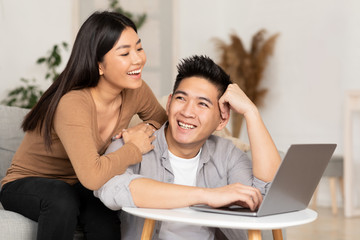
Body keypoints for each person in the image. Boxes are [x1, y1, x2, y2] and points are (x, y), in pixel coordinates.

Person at [0, 11, 167, 240]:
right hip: (25, 184)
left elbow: (162, 121)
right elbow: (92, 176)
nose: (138, 59)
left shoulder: (135, 90)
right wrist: (133, 148)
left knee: (105, 212)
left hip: (76, 185)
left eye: (138, 48)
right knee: (61, 199)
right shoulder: (73, 103)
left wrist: (143, 128)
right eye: (125, 53)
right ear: (99, 65)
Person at [95, 55, 281, 239]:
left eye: (202, 104)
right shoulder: (132, 143)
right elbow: (110, 188)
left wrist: (251, 112)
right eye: (181, 98)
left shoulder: (227, 154)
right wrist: (207, 196)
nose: (187, 112)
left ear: (222, 120)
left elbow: (268, 196)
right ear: (169, 104)